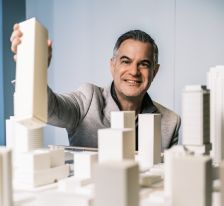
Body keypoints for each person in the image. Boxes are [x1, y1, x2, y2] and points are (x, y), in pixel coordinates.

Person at [11, 25, 181, 151]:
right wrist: (32, 67)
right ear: (112, 66)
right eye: (126, 61)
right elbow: (48, 109)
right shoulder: (88, 100)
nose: (134, 72)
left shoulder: (170, 121)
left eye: (143, 64)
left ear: (155, 71)